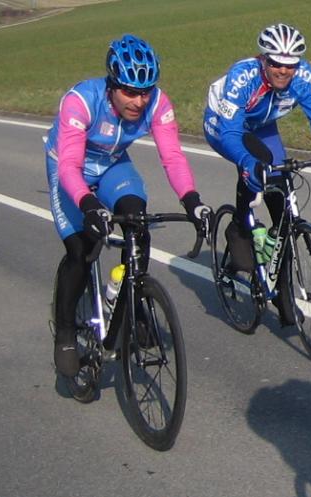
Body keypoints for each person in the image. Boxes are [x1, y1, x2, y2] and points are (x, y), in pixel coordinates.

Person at [45, 34, 210, 377]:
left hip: (112, 164)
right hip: (69, 168)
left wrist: (192, 201)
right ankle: (65, 331)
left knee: (137, 222)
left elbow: (173, 157)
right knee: (80, 249)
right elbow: (69, 166)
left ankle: (131, 299)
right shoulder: (81, 101)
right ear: (112, 85)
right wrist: (89, 204)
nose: (139, 101)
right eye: (130, 92)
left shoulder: (158, 103)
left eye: (145, 91)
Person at [203, 22, 311, 324]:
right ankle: (240, 227)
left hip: (262, 126)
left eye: (290, 65)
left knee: (282, 202)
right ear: (263, 59)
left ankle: (282, 290)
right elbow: (232, 134)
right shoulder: (243, 76)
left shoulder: (304, 77)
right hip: (224, 126)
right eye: (276, 63)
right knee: (256, 165)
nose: (284, 71)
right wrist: (247, 163)